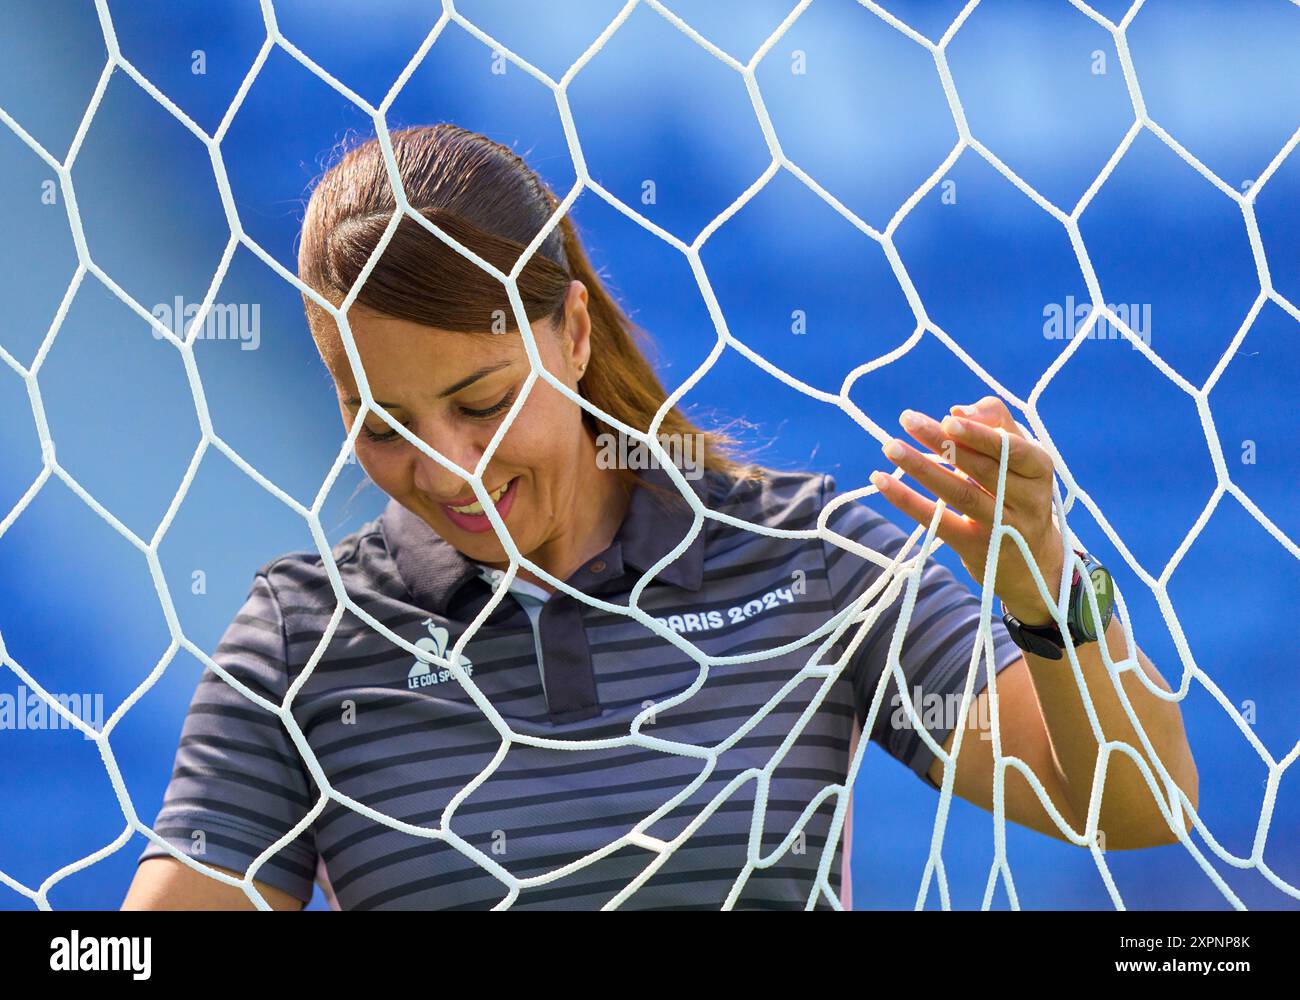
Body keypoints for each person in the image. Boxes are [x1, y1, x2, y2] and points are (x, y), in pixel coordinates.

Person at [123, 124, 1197, 910]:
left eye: (484, 403)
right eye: (382, 423)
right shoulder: (305, 637)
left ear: (575, 331)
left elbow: (1136, 806)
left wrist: (1042, 584)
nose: (449, 468)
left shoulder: (803, 561)